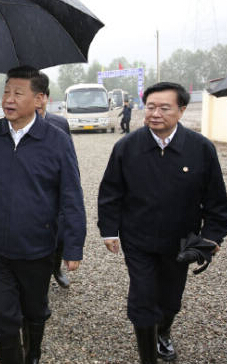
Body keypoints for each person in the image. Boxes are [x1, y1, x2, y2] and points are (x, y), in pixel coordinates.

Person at [0, 66, 87, 364]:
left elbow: (72, 196)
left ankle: (33, 352)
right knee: (2, 314)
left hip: (37, 247)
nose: (8, 99)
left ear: (39, 99)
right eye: (6, 91)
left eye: (17, 93)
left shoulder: (56, 140)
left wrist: (74, 246)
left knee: (34, 309)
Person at [97, 82, 227, 364]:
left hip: (181, 243)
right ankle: (148, 356)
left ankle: (163, 332)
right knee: (143, 298)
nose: (155, 113)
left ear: (181, 110)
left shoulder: (201, 149)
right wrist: (109, 230)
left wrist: (211, 238)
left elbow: (217, 202)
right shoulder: (126, 147)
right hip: (138, 240)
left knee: (170, 299)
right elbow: (110, 193)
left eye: (164, 108)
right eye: (151, 107)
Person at [36, 85, 74, 289]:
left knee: (59, 233)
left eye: (42, 96)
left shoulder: (60, 123)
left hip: (56, 188)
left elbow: (70, 158)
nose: (38, 100)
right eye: (35, 95)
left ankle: (56, 269)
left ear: (46, 99)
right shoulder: (17, 125)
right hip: (33, 189)